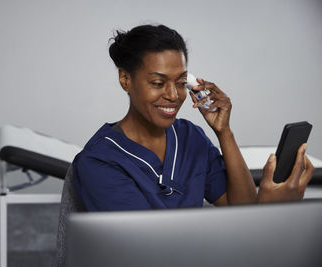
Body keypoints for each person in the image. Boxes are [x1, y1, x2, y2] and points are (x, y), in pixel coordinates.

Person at [72, 24, 315, 211]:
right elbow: (146, 252)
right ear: (125, 79)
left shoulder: (190, 137)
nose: (172, 95)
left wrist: (224, 132)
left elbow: (240, 209)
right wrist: (270, 211)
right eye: (158, 83)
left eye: (180, 83)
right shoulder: (100, 161)